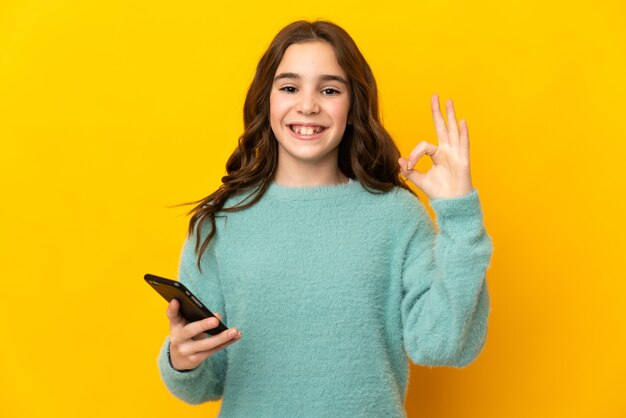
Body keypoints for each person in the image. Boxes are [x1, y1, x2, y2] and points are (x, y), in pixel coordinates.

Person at [157, 19, 493, 417]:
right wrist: (181, 357)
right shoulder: (221, 223)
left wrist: (459, 217)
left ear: (352, 107)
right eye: (289, 87)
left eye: (329, 89)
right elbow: (202, 384)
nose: (308, 104)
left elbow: (443, 345)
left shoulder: (398, 217)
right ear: (267, 102)